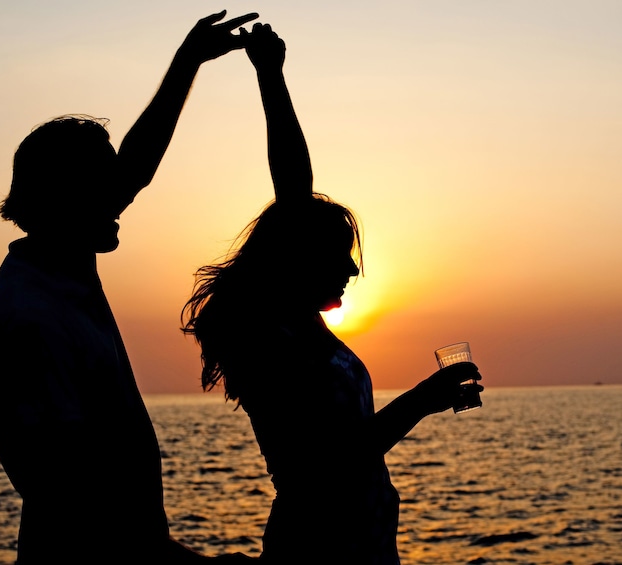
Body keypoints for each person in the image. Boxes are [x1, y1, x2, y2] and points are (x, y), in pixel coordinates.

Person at [182, 24, 483, 565]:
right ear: (297, 257)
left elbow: (295, 190)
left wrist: (271, 75)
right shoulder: (268, 338)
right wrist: (422, 400)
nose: (352, 269)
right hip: (318, 553)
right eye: (338, 254)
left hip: (363, 546)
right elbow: (328, 465)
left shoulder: (301, 325)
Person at [0, 12, 258, 564]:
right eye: (102, 184)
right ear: (66, 197)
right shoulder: (34, 314)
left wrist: (188, 63)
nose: (121, 195)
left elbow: (137, 162)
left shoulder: (62, 261)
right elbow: (67, 493)